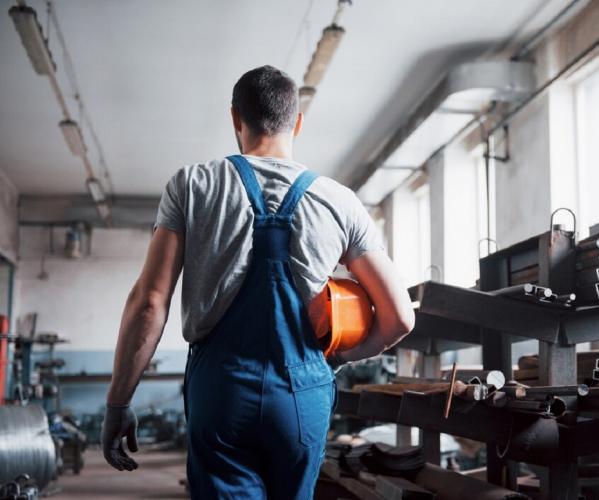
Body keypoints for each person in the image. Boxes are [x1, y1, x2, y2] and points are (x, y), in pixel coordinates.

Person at [101, 65, 414, 499]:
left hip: (221, 391)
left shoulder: (192, 185)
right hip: (303, 391)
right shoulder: (340, 200)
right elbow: (399, 318)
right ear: (297, 123)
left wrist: (118, 403)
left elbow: (150, 302)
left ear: (236, 119)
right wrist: (336, 360)